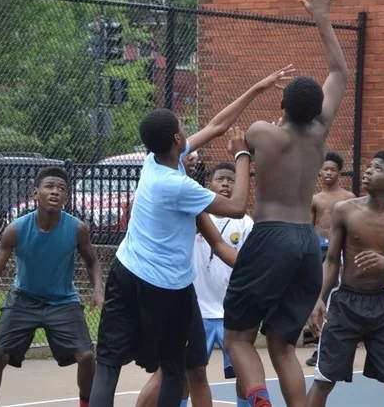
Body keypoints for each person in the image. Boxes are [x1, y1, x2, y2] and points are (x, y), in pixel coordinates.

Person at [89, 65, 293, 407]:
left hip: (125, 272)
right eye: (182, 128)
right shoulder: (178, 185)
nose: (186, 131)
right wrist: (242, 155)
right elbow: (238, 204)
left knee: (108, 364)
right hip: (165, 286)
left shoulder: (155, 162)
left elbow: (216, 127)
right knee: (174, 369)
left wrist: (259, 86)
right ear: (176, 140)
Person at [224, 0, 349, 407]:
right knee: (282, 346)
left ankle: (258, 397)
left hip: (271, 235)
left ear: (282, 107)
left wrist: (240, 153)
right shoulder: (319, 135)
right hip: (306, 243)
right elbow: (339, 72)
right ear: (318, 111)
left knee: (238, 337)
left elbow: (241, 137)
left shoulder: (260, 133)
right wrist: (321, 17)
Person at [0, 166, 105, 407]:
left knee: (87, 356)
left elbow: (92, 261)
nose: (55, 192)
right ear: (36, 193)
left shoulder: (77, 228)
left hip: (63, 302)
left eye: (61, 189)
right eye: (49, 187)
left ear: (66, 198)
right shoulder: (16, 229)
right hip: (23, 299)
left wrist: (97, 288)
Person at [307, 151, 384, 407]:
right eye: (369, 166)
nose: (368, 171)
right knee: (324, 380)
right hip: (344, 302)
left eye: (377, 168)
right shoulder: (345, 210)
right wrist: (319, 297)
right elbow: (330, 261)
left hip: (383, 306)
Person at [135, 162, 255, 407]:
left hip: (230, 310)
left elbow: (241, 258)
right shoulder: (193, 214)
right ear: (208, 183)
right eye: (220, 178)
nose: (225, 183)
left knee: (243, 372)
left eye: (231, 180)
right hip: (195, 309)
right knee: (183, 372)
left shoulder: (245, 223)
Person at [305, 151, 354, 367]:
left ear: (339, 172)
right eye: (325, 169)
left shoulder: (349, 198)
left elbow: (354, 226)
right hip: (318, 250)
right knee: (317, 294)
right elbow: (309, 226)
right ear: (319, 171)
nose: (328, 173)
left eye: (332, 169)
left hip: (339, 253)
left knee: (335, 297)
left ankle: (335, 346)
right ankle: (319, 345)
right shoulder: (315, 199)